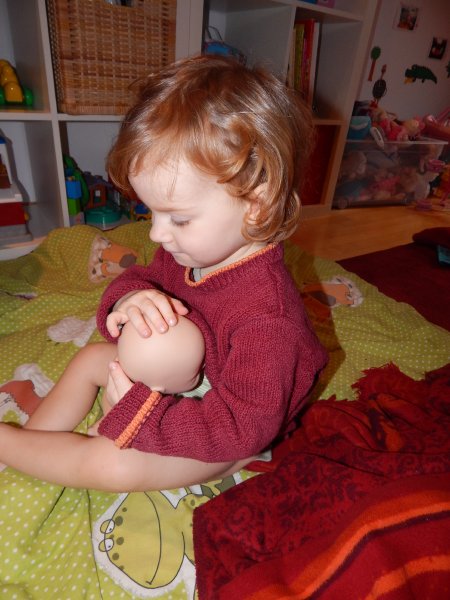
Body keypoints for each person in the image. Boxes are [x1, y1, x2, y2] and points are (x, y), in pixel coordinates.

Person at [0, 55, 327, 491]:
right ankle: (35, 440)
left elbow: (243, 427)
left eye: (179, 218)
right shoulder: (190, 250)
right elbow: (141, 280)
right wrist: (129, 299)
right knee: (90, 358)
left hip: (230, 430)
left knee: (111, 467)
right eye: (151, 212)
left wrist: (143, 418)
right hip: (189, 375)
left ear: (257, 203)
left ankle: (8, 445)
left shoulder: (270, 319)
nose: (157, 233)